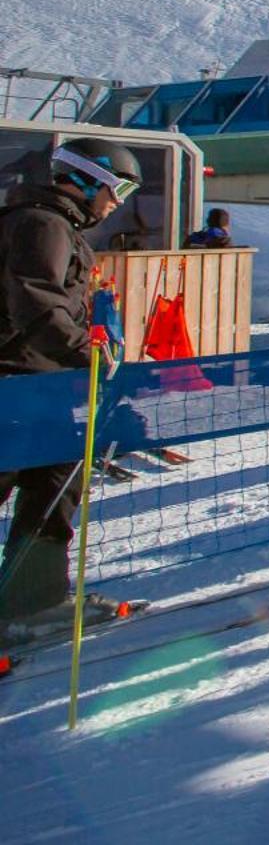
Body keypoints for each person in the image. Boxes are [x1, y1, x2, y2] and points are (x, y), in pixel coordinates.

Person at [1, 140, 142, 621]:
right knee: (48, 481)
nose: (118, 201)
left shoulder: (50, 224)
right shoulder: (42, 225)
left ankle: (32, 598)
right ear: (84, 178)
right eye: (117, 187)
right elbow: (38, 304)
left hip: (40, 383)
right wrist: (91, 358)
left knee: (56, 483)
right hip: (18, 384)